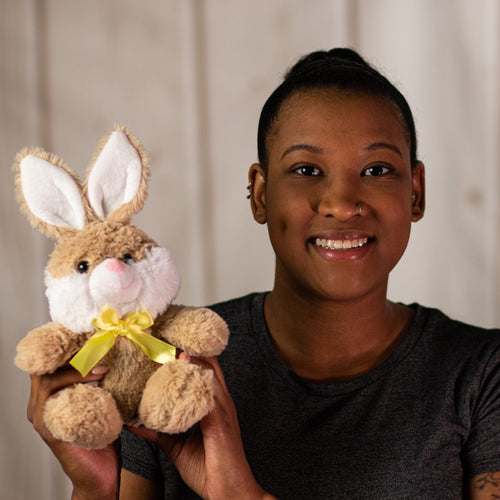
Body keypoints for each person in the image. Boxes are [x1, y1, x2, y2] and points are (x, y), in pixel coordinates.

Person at [26, 48, 500, 499]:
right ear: (259, 193)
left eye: (377, 169)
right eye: (307, 170)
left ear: (415, 192)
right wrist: (96, 489)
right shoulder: (170, 359)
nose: (340, 203)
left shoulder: (481, 375)